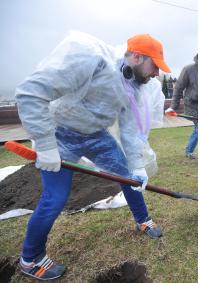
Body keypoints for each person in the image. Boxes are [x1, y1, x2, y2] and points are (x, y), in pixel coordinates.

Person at [15, 31, 171, 280]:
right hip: (60, 135)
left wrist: (138, 166)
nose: (156, 74)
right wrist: (45, 145)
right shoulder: (93, 60)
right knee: (55, 197)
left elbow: (129, 131)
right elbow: (30, 93)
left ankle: (143, 219)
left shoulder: (133, 87)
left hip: (97, 137)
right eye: (154, 66)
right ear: (138, 57)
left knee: (129, 177)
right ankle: (30, 259)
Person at [165, 47, 198, 166]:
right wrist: (173, 106)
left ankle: (189, 150)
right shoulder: (188, 69)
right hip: (189, 103)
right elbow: (178, 88)